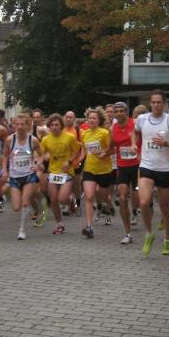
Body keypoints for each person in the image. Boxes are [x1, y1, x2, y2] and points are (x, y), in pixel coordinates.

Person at [132, 90, 169, 257]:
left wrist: (166, 143)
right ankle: (149, 233)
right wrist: (134, 144)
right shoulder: (142, 119)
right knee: (144, 201)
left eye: (159, 102)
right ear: (150, 103)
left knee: (164, 205)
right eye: (153, 102)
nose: (156, 105)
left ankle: (167, 239)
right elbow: (135, 132)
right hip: (146, 165)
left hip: (164, 168)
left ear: (164, 103)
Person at [2, 114, 43, 241]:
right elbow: (5, 156)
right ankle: (37, 208)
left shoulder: (33, 140)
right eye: (17, 124)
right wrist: (5, 170)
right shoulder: (10, 140)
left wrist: (37, 164)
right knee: (16, 207)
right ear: (14, 125)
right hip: (14, 176)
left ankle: (22, 230)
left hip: (29, 175)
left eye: (22, 124)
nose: (19, 127)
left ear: (28, 125)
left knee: (25, 202)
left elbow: (41, 155)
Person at [40, 113, 81, 235]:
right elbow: (41, 153)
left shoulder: (69, 137)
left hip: (66, 172)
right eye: (52, 125)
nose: (54, 127)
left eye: (57, 125)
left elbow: (76, 151)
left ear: (61, 126)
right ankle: (59, 224)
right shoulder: (46, 139)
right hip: (53, 172)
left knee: (62, 199)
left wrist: (69, 161)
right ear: (49, 126)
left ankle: (71, 201)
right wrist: (42, 159)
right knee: (53, 200)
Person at [80, 107, 113, 238]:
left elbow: (112, 150)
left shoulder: (104, 133)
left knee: (104, 196)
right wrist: (76, 161)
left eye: (94, 118)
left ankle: (109, 206)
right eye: (90, 118)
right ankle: (89, 227)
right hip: (89, 169)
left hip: (104, 169)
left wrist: (103, 153)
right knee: (89, 197)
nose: (91, 120)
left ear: (99, 120)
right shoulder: (84, 134)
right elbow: (84, 152)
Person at [111, 101, 139, 244]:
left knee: (140, 198)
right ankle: (127, 233)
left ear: (126, 112)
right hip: (122, 166)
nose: (119, 113)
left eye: (122, 111)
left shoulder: (135, 123)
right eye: (117, 111)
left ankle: (142, 213)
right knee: (122, 198)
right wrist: (101, 153)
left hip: (138, 165)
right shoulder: (113, 128)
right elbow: (111, 147)